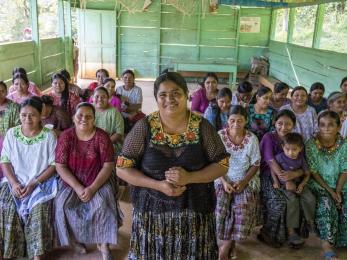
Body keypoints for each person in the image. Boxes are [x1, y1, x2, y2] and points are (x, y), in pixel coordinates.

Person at [116, 72, 229, 259]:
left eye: (176, 93)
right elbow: (122, 168)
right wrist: (158, 185)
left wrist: (190, 178)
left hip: (194, 214)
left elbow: (222, 164)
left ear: (186, 95)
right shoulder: (144, 127)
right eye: (163, 95)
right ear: (156, 98)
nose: (170, 99)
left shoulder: (202, 127)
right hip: (151, 216)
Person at [54, 102, 121, 260]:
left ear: (94, 119)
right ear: (74, 118)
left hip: (97, 180)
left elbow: (108, 165)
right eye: (80, 116)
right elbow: (60, 165)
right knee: (63, 204)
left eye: (89, 116)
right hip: (72, 181)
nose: (84, 119)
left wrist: (92, 188)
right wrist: (77, 187)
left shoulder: (102, 137)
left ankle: (104, 244)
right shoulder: (66, 137)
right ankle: (77, 240)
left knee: (103, 203)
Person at [0, 98, 57, 260]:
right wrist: (13, 182)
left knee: (39, 211)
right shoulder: (12, 134)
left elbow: (53, 166)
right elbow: (5, 161)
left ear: (41, 115)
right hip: (14, 181)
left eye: (32, 115)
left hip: (41, 182)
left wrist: (33, 183)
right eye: (23, 115)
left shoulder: (48, 136)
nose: (27, 119)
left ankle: (37, 255)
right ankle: (9, 251)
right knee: (5, 205)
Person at [216, 105, 260, 260]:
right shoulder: (220, 136)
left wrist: (244, 181)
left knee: (242, 208)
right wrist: (223, 181)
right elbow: (214, 162)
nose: (235, 124)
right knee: (221, 209)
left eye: (240, 121)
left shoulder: (252, 139)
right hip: (222, 179)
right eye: (232, 120)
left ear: (246, 121)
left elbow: (255, 164)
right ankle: (230, 244)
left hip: (245, 180)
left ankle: (224, 248)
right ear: (227, 120)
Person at [257, 109, 306, 247]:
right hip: (269, 175)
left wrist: (295, 175)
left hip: (291, 176)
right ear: (274, 123)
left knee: (299, 197)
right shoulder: (269, 137)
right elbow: (270, 161)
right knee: (279, 202)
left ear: (294, 125)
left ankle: (292, 234)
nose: (283, 127)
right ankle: (267, 234)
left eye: (288, 124)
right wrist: (287, 180)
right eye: (280, 123)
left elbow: (304, 164)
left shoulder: (295, 139)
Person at [306, 110, 347, 260]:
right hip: (320, 185)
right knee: (326, 206)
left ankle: (342, 240)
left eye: (331, 125)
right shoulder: (311, 144)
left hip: (341, 184)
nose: (326, 128)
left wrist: (338, 190)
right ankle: (327, 246)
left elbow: (345, 169)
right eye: (322, 125)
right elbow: (314, 171)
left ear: (339, 126)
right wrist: (331, 192)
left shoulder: (344, 144)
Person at [273, 133, 316, 247]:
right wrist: (276, 181)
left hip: (299, 184)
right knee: (292, 202)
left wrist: (302, 185)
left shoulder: (301, 159)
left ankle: (310, 222)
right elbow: (273, 169)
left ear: (300, 148)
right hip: (285, 187)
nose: (290, 152)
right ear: (283, 147)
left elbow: (307, 173)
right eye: (287, 149)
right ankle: (291, 232)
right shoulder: (280, 157)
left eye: (294, 149)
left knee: (310, 198)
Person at [93, 87, 124, 155]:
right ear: (92, 98)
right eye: (97, 96)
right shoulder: (88, 109)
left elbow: (119, 133)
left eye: (103, 97)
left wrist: (104, 144)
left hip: (109, 143)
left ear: (108, 99)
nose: (100, 99)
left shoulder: (114, 112)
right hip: (89, 143)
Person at [0, 81, 20, 179]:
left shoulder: (14, 107)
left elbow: (18, 128)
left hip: (9, 144)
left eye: (2, 91)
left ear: (6, 92)